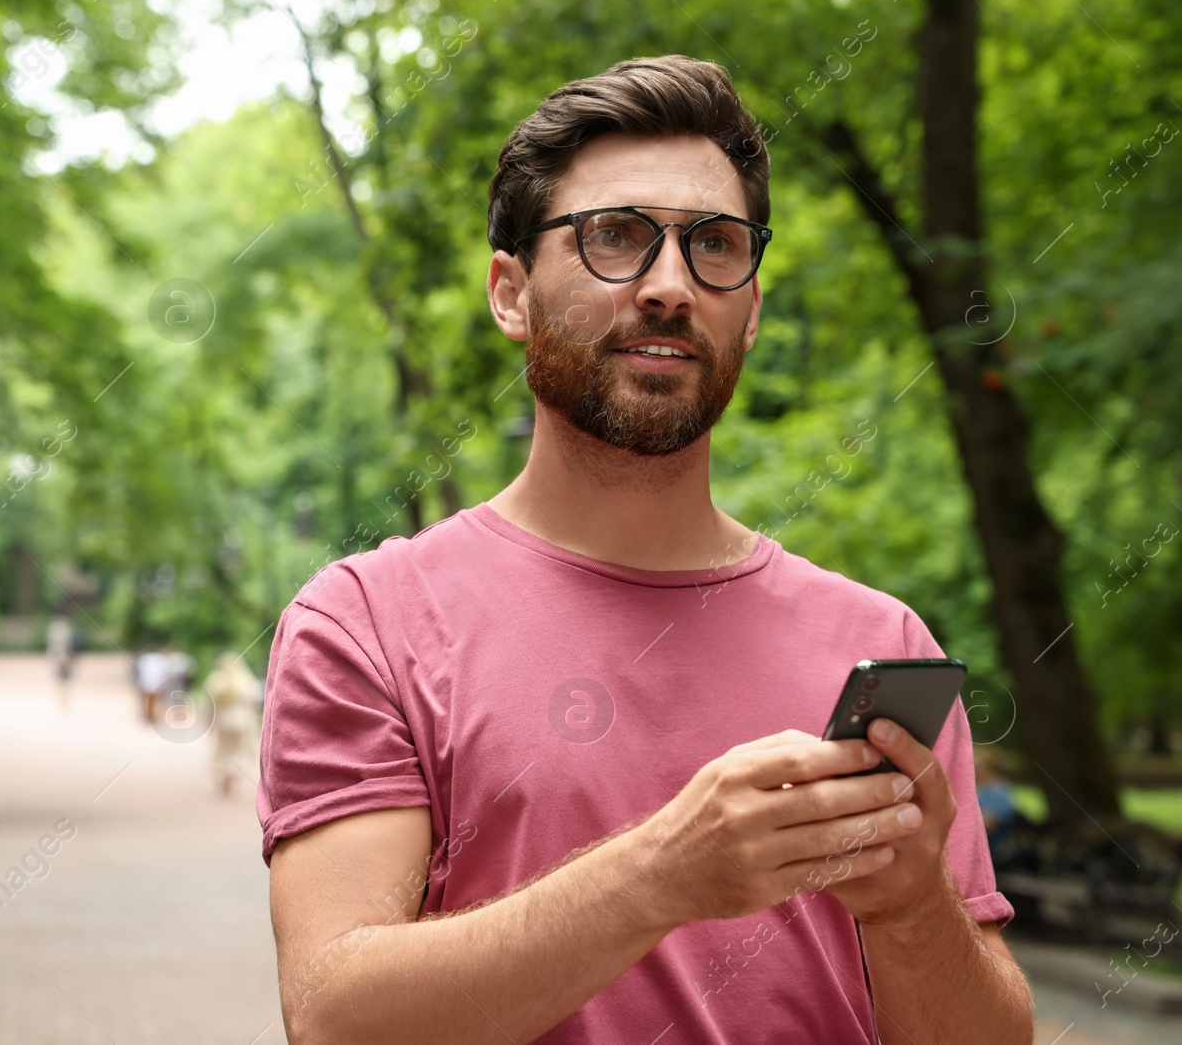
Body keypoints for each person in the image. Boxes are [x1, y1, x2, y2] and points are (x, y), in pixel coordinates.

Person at [257, 56, 1031, 1044]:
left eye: (714, 245)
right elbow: (333, 1015)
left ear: (749, 310)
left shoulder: (883, 640)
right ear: (510, 292)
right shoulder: (366, 622)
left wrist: (912, 906)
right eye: (614, 236)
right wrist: (661, 874)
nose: (669, 286)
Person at [204, 651, 260, 797]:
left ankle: (224, 775)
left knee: (223, 750)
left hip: (224, 722)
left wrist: (209, 726)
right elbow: (254, 705)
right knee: (238, 750)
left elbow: (210, 707)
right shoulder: (247, 681)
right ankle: (232, 775)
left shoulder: (216, 681)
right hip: (241, 723)